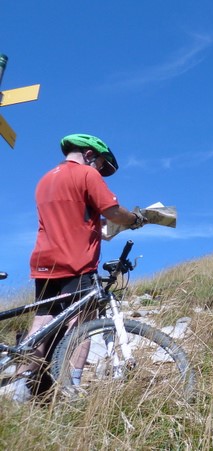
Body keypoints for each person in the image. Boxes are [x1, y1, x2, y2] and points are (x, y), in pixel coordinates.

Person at [2, 134, 146, 402]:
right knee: (84, 324)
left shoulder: (45, 180)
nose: (100, 171)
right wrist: (136, 219)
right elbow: (114, 212)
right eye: (101, 164)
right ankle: (71, 387)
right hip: (76, 261)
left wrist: (99, 228)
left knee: (42, 323)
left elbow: (77, 220)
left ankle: (20, 386)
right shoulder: (87, 175)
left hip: (44, 262)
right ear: (90, 154)